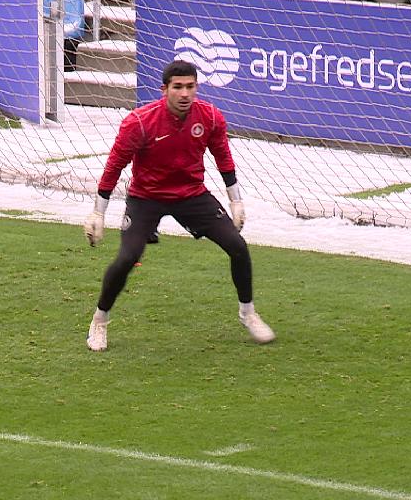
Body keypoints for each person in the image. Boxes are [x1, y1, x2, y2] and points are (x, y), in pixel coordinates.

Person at [82, 60, 275, 351]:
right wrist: (98, 212)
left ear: (196, 87)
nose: (185, 94)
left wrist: (236, 201)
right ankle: (100, 320)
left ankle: (248, 313)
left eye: (190, 87)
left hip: (191, 195)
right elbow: (114, 166)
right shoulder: (139, 122)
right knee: (127, 258)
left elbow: (224, 158)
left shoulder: (210, 117)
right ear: (164, 90)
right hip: (146, 197)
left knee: (237, 246)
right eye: (178, 87)